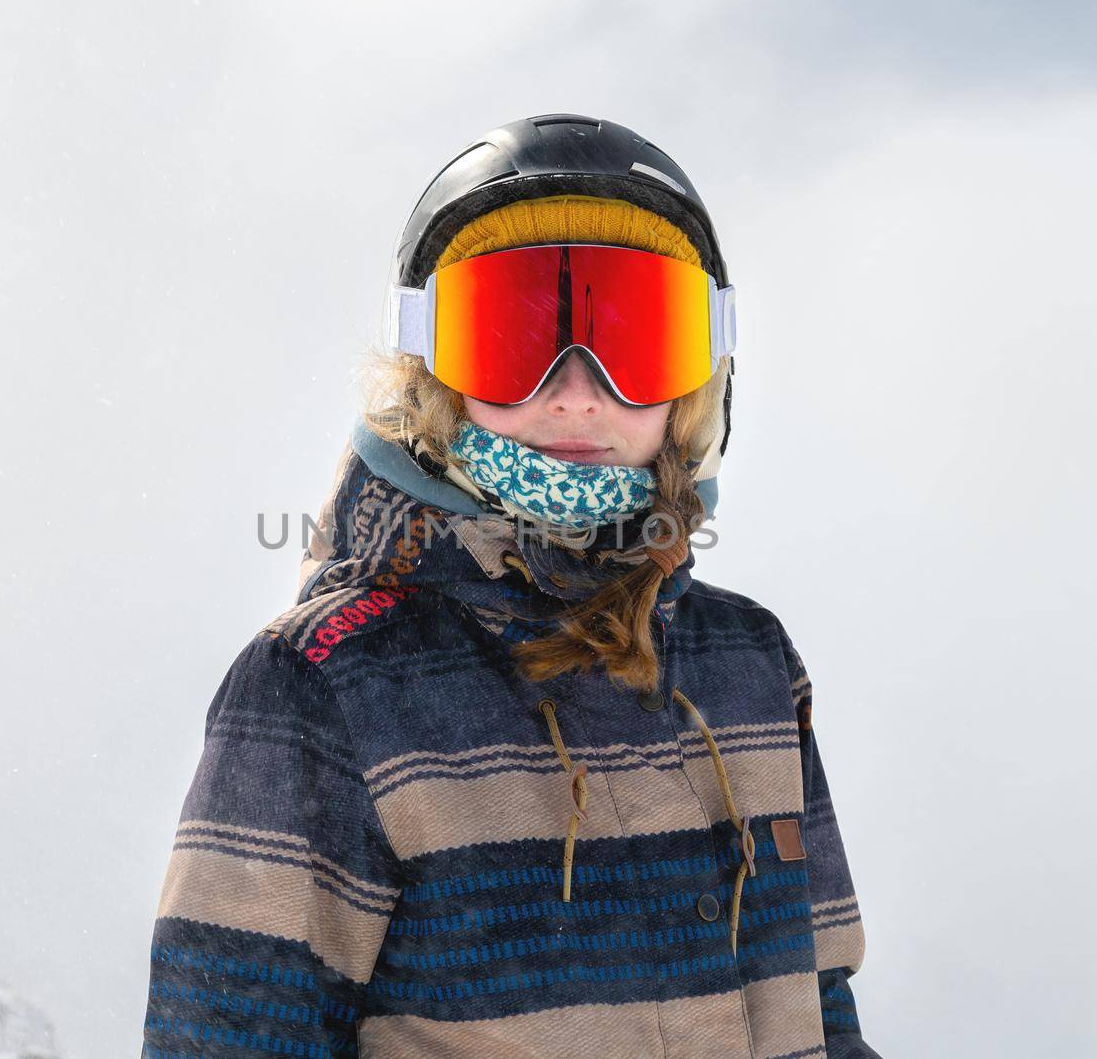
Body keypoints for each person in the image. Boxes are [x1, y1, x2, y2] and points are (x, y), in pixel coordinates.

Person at [141, 113, 883, 1059]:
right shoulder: (329, 685)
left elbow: (823, 1007)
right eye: (512, 332)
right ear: (430, 372)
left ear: (699, 380)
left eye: (635, 334)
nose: (577, 392)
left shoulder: (748, 666)